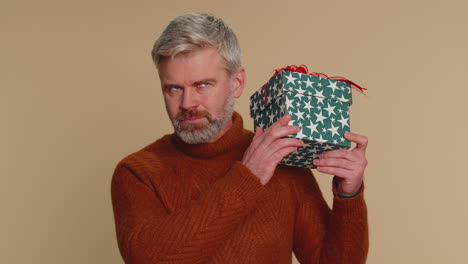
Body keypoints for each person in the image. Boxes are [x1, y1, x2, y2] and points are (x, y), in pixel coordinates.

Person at [111, 13, 369, 264]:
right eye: (174, 88)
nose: (187, 103)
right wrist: (249, 176)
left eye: (203, 85)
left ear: (237, 83)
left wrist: (349, 196)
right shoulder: (137, 172)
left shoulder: (280, 158)